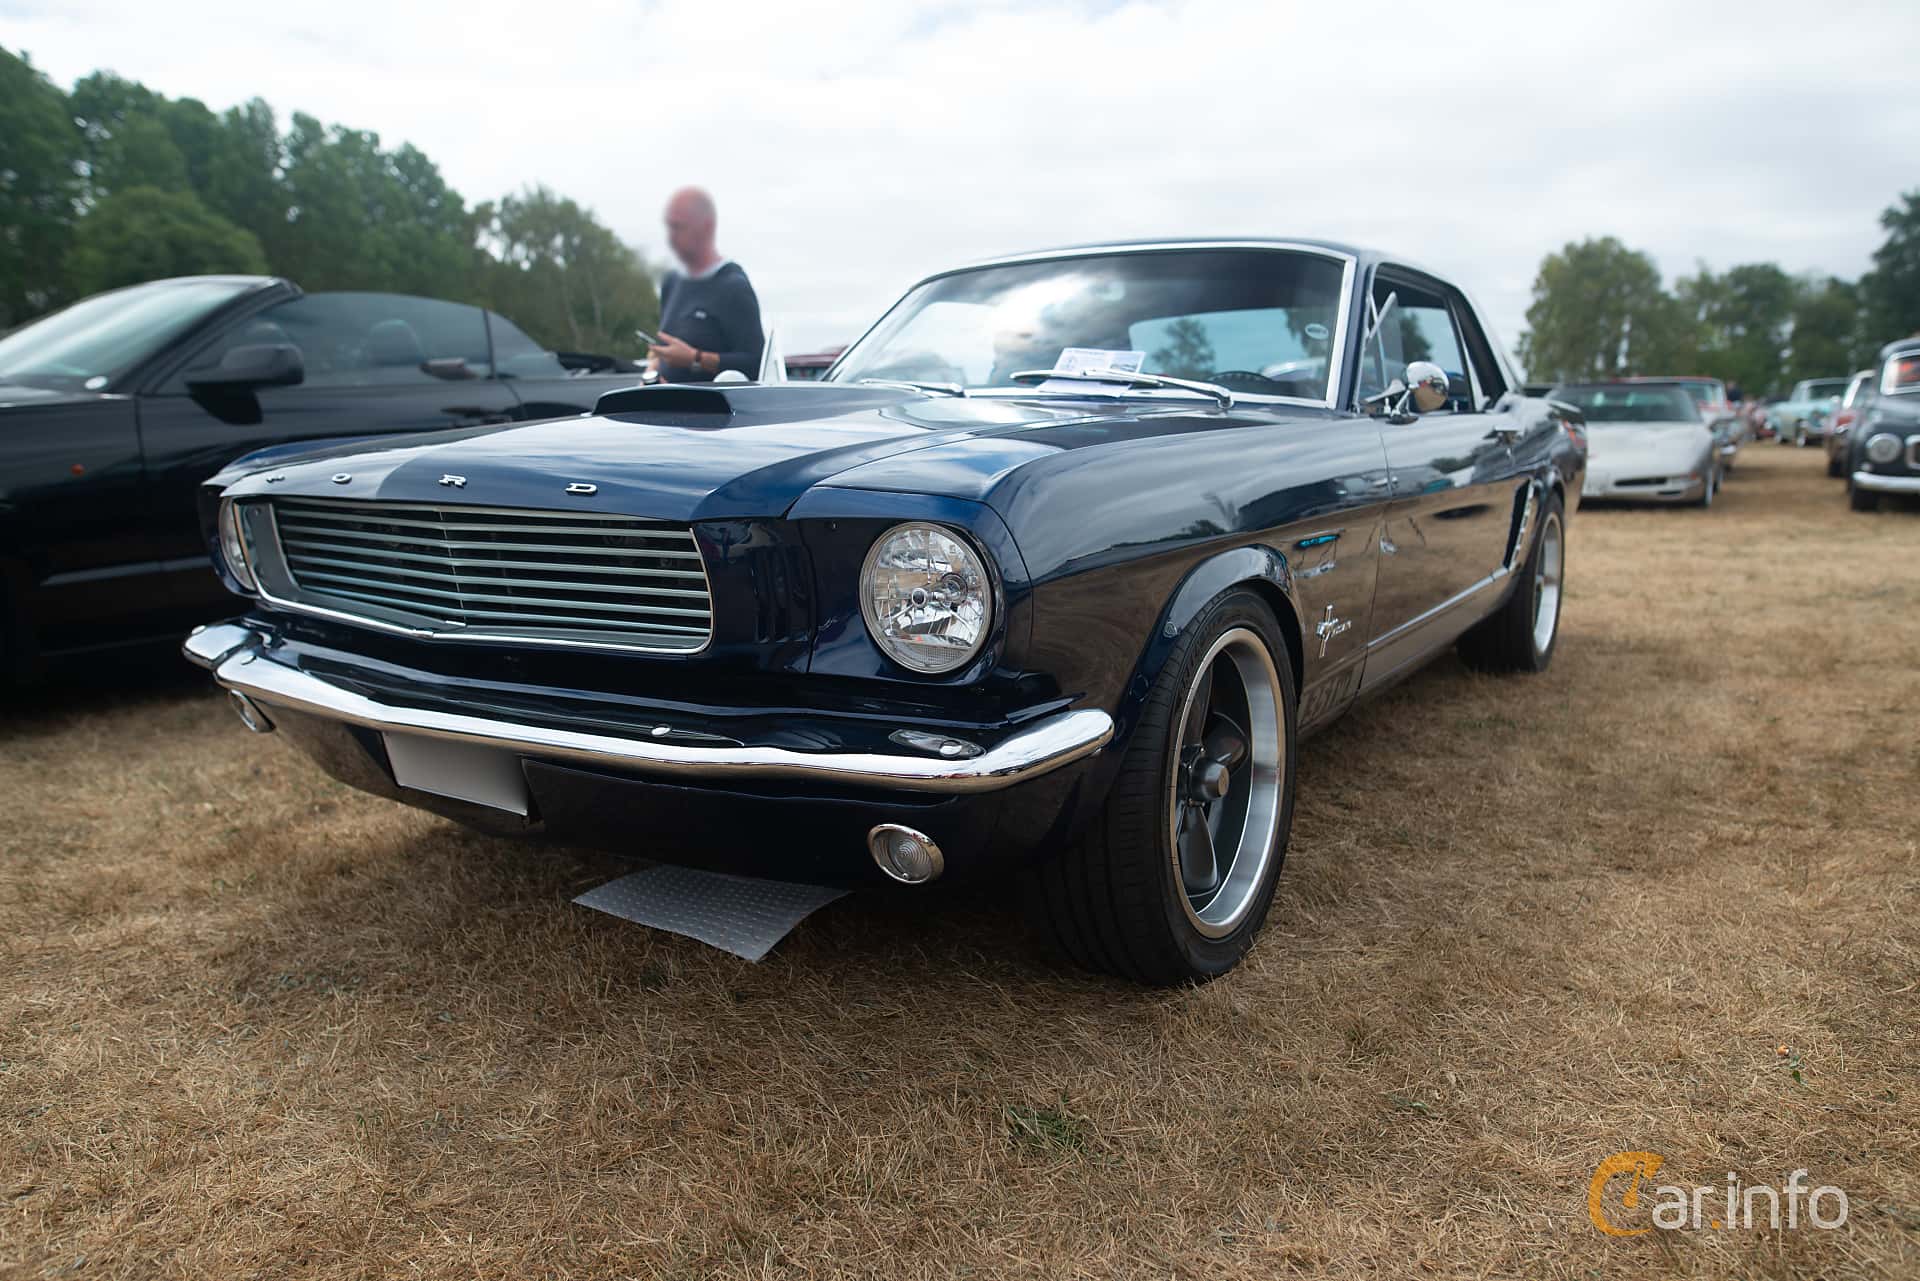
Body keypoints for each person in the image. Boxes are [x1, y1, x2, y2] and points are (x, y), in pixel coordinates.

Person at [649, 187, 764, 382]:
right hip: (665, 406)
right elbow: (661, 350)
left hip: (711, 409)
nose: (671, 236)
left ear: (707, 226)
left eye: (680, 227)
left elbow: (756, 363)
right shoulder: (672, 282)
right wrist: (650, 376)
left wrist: (696, 359)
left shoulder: (733, 287)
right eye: (669, 227)